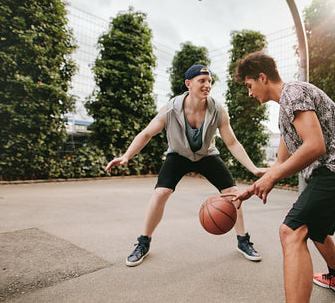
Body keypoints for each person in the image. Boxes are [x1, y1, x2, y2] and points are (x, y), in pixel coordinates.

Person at [225, 52, 335, 302]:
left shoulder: (293, 92)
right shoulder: (286, 112)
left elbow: (315, 145)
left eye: (249, 85)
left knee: (290, 231)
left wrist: (271, 179)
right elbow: (281, 162)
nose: (249, 93)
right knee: (315, 228)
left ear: (262, 77)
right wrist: (250, 190)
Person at [105, 64, 265, 267]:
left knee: (233, 192)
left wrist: (254, 168)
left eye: (209, 81)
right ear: (188, 84)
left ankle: (243, 241)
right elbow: (146, 133)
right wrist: (127, 155)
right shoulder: (171, 109)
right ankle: (143, 243)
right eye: (202, 81)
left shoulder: (218, 110)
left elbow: (232, 142)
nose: (207, 85)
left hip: (207, 155)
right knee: (160, 193)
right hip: (178, 155)